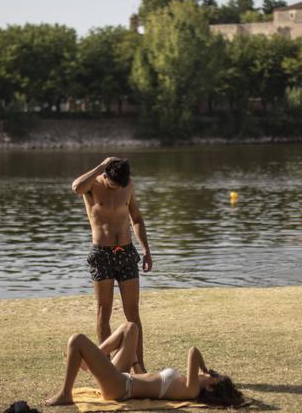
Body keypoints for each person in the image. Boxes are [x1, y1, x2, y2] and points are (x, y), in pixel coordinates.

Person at [71, 157, 152, 372]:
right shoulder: (92, 185)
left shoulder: (128, 184)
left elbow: (136, 218)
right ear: (105, 175)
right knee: (103, 311)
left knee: (133, 312)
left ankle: (139, 367)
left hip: (126, 252)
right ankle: (107, 368)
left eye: (121, 185)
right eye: (114, 184)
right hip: (102, 254)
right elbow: (75, 187)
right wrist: (100, 165)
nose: (117, 188)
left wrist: (146, 250)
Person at [44, 322, 243, 407]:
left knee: (76, 340)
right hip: (124, 378)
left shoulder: (191, 390)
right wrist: (135, 361)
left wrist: (203, 366)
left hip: (119, 386)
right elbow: (144, 377)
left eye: (214, 375)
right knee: (131, 328)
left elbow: (193, 351)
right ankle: (90, 362)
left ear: (210, 386)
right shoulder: (184, 384)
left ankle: (65, 393)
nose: (210, 372)